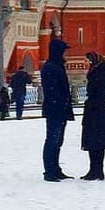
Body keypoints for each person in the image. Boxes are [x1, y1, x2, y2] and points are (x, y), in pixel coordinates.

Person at [40, 37, 74, 181]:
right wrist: (60, 103)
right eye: (63, 51)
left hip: (59, 108)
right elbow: (53, 91)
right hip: (55, 109)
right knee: (52, 140)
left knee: (58, 140)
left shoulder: (56, 66)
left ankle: (55, 168)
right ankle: (49, 171)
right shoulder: (51, 67)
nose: (65, 54)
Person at [79, 51, 105, 180]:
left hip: (97, 111)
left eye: (87, 60)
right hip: (97, 110)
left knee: (96, 141)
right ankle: (94, 170)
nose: (85, 63)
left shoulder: (99, 74)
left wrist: (92, 103)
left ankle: (97, 170)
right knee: (94, 141)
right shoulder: (97, 73)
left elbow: (99, 93)